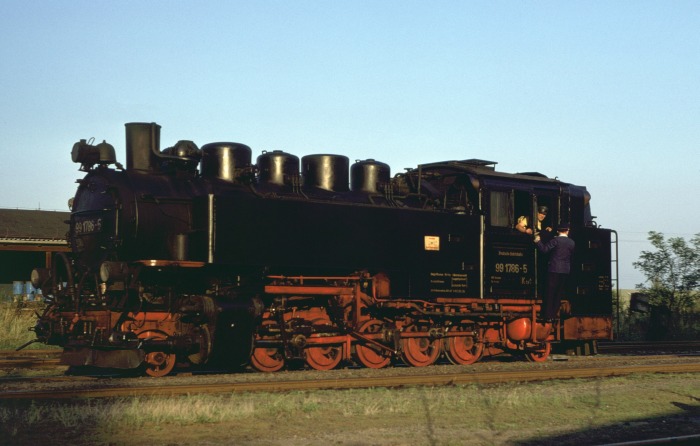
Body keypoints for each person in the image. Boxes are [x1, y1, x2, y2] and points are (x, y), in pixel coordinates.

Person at [534, 224, 575, 321]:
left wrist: (538, 241)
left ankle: (547, 316)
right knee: (558, 293)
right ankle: (553, 314)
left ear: (558, 231)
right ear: (567, 231)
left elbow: (544, 250)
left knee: (550, 293)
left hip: (554, 269)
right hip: (565, 270)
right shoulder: (571, 243)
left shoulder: (555, 241)